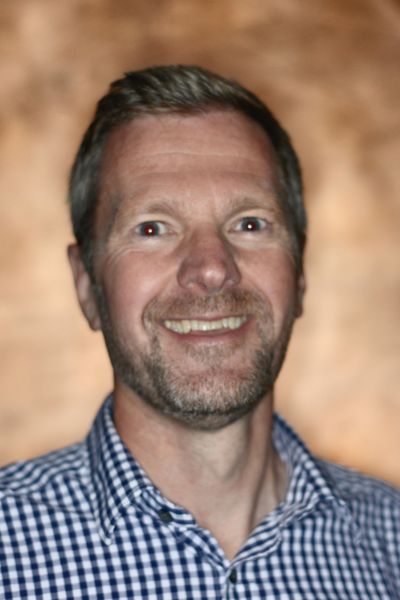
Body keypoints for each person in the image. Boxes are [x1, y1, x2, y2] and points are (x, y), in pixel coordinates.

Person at [0, 65, 398, 599]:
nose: (211, 269)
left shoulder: (390, 541)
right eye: (152, 228)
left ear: (300, 275)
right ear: (88, 286)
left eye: (249, 224)